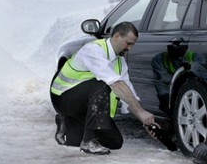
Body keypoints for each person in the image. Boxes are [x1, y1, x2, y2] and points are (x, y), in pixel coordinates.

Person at [50, 21, 159, 155]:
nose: (130, 48)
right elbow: (114, 83)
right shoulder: (94, 50)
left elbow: (129, 95)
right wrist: (141, 112)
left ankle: (67, 122)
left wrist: (144, 119)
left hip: (83, 105)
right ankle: (88, 141)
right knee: (102, 84)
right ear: (116, 36)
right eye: (128, 43)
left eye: (132, 45)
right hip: (63, 97)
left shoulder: (120, 63)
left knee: (115, 142)